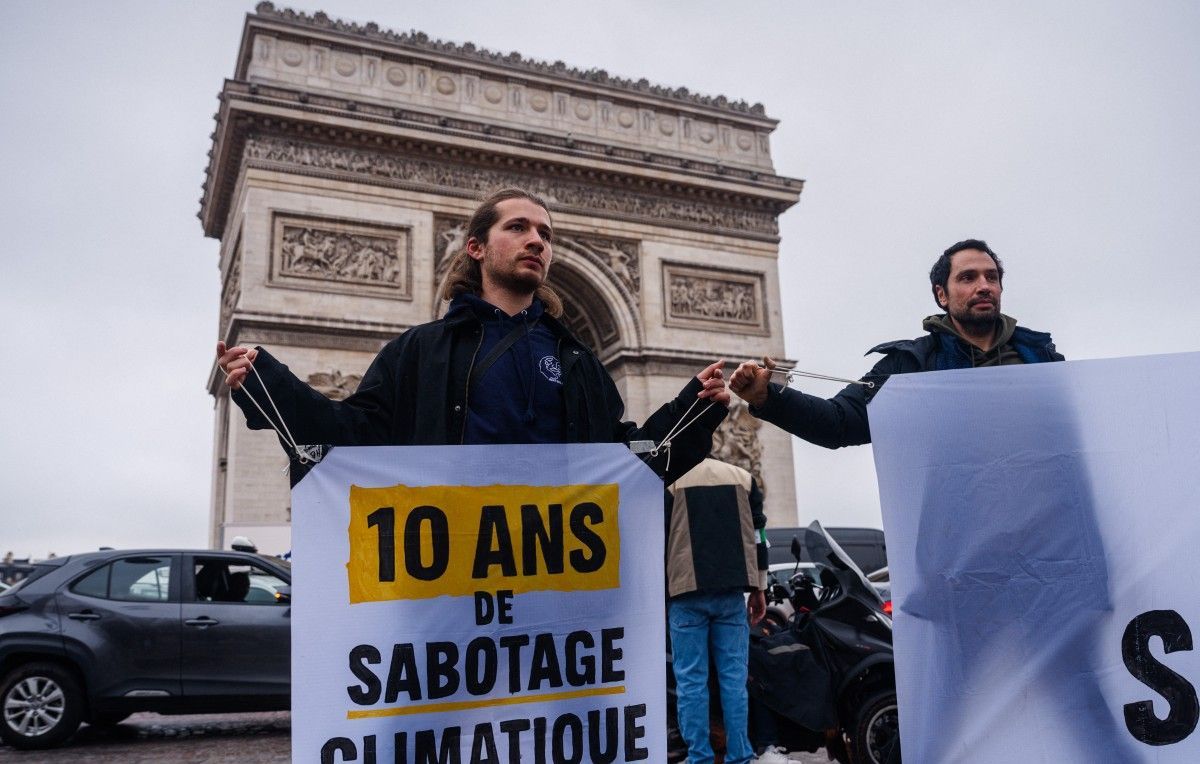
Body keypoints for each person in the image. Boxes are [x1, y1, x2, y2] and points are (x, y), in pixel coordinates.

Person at [216, 188, 729, 483]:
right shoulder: (419, 352)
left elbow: (624, 462)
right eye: (519, 227)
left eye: (546, 235)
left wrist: (697, 405)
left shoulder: (578, 362)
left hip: (556, 579)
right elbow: (349, 437)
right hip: (449, 587)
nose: (537, 241)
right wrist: (267, 383)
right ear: (476, 248)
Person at [729, 239, 1063, 446]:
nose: (984, 285)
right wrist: (767, 397)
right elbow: (839, 423)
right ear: (941, 294)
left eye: (992, 277)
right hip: (959, 539)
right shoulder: (910, 365)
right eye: (968, 277)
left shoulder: (1043, 358)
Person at [665, 458, 773, 764]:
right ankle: (739, 754)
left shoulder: (673, 480)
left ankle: (699, 756)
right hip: (730, 592)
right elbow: (758, 535)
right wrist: (759, 586)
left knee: (690, 682)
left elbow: (659, 539)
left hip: (685, 593)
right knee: (733, 680)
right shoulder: (744, 479)